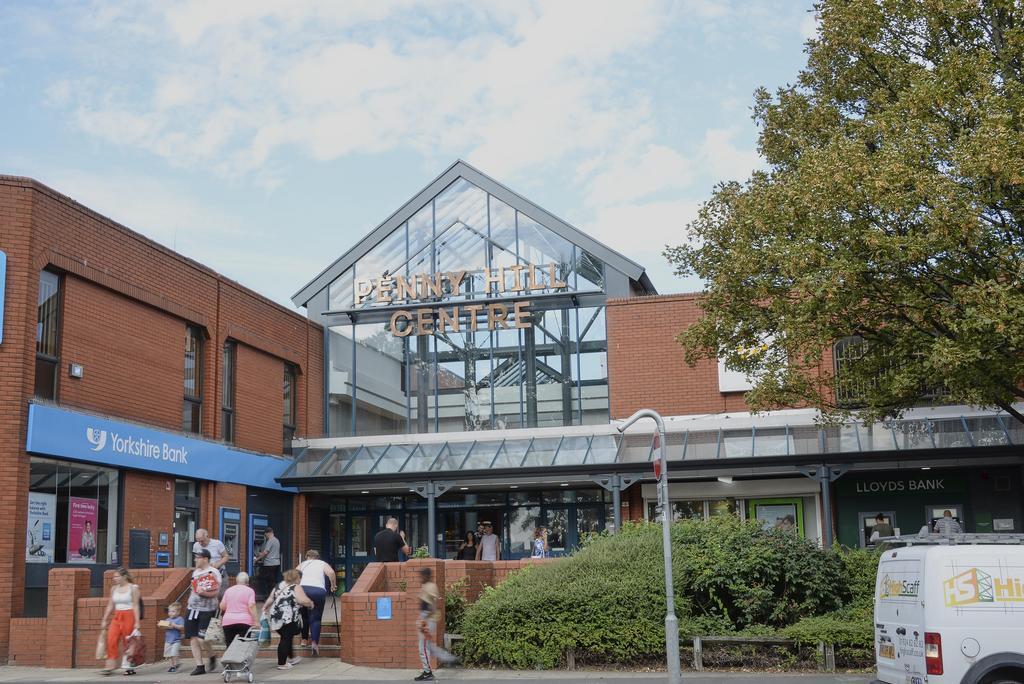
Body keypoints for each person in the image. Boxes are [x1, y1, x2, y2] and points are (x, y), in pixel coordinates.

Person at [263, 568, 314, 670]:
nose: (300, 580)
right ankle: (282, 663)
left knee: (287, 636)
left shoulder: (279, 585)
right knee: (286, 638)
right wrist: (310, 603)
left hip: (275, 616)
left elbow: (270, 598)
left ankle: (292, 658)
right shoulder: (296, 587)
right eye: (300, 578)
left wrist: (265, 607)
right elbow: (302, 600)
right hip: (288, 617)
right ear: (297, 578)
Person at [414, 567, 458, 681]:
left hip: (428, 620)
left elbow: (433, 605)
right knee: (428, 646)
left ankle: (428, 672)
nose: (420, 578)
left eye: (422, 576)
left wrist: (424, 618)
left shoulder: (431, 586)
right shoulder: (427, 586)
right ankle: (449, 658)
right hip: (426, 619)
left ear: (427, 576)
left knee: (423, 646)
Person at [185, 548, 221, 676]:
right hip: (192, 609)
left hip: (207, 610)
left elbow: (216, 592)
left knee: (202, 639)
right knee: (193, 638)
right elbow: (193, 589)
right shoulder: (195, 572)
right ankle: (199, 666)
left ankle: (212, 655)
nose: (195, 559)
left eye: (198, 557)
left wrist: (204, 593)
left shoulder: (213, 572)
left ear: (205, 559)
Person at [99, 567, 141, 676]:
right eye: (114, 576)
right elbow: (110, 605)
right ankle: (110, 665)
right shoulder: (114, 589)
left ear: (124, 577)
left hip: (129, 615)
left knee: (128, 642)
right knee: (111, 639)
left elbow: (136, 605)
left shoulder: (133, 588)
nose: (114, 578)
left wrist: (137, 622)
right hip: (117, 616)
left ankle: (129, 666)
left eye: (117, 576)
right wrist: (104, 619)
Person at [297, 549, 337, 655]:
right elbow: (331, 572)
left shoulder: (303, 564)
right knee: (316, 618)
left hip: (303, 590)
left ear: (307, 556)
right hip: (318, 591)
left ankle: (304, 640)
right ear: (317, 557)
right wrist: (333, 585)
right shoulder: (322, 563)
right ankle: (314, 643)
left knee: (304, 616)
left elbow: (294, 575)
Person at [219, 571, 258, 650]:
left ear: (237, 581)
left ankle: (229, 661)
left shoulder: (228, 590)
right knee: (243, 645)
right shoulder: (250, 591)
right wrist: (256, 621)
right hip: (244, 621)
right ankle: (241, 661)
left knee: (229, 644)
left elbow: (222, 607)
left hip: (228, 621)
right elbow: (252, 606)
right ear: (247, 582)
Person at [193, 528, 228, 595]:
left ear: (207, 536)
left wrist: (218, 564)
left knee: (220, 596)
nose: (200, 543)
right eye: (198, 541)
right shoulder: (196, 545)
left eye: (202, 541)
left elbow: (226, 556)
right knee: (204, 595)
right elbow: (196, 559)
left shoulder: (217, 543)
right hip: (204, 575)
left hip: (219, 573)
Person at [254, 527, 281, 598]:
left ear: (267, 533)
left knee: (268, 582)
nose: (265, 536)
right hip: (276, 563)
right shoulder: (277, 540)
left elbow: (266, 552)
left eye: (265, 534)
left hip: (269, 564)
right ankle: (274, 596)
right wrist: (261, 553)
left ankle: (269, 597)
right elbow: (271, 552)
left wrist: (257, 559)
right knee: (273, 581)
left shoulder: (270, 541)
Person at [158, 601, 185, 673]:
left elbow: (182, 627)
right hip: (168, 641)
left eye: (173, 611)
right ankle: (172, 666)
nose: (170, 613)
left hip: (176, 640)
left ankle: (175, 665)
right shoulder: (167, 620)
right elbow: (165, 628)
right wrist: (161, 625)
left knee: (174, 653)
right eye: (169, 611)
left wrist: (174, 625)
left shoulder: (179, 619)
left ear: (178, 612)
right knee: (169, 655)